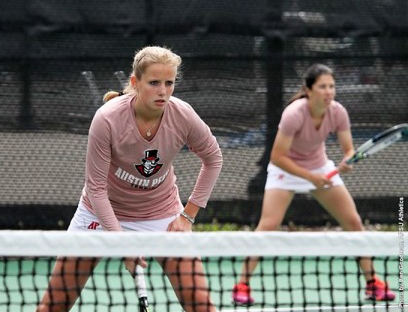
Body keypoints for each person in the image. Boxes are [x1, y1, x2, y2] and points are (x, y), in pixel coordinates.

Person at [37, 46, 223, 312]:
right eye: (154, 83)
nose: (163, 91)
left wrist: (187, 215)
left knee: (202, 305)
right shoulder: (108, 119)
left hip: (162, 214)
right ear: (135, 83)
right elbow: (97, 189)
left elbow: (213, 158)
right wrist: (121, 243)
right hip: (99, 215)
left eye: (169, 83)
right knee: (52, 306)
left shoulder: (183, 115)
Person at [232, 64, 396, 305]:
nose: (328, 92)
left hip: (320, 166)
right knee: (268, 226)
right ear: (309, 90)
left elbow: (348, 149)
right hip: (285, 169)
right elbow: (277, 157)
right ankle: (242, 285)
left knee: (353, 223)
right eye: (322, 87)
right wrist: (310, 178)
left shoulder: (338, 112)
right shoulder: (294, 113)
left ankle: (373, 283)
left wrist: (348, 160)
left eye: (332, 86)